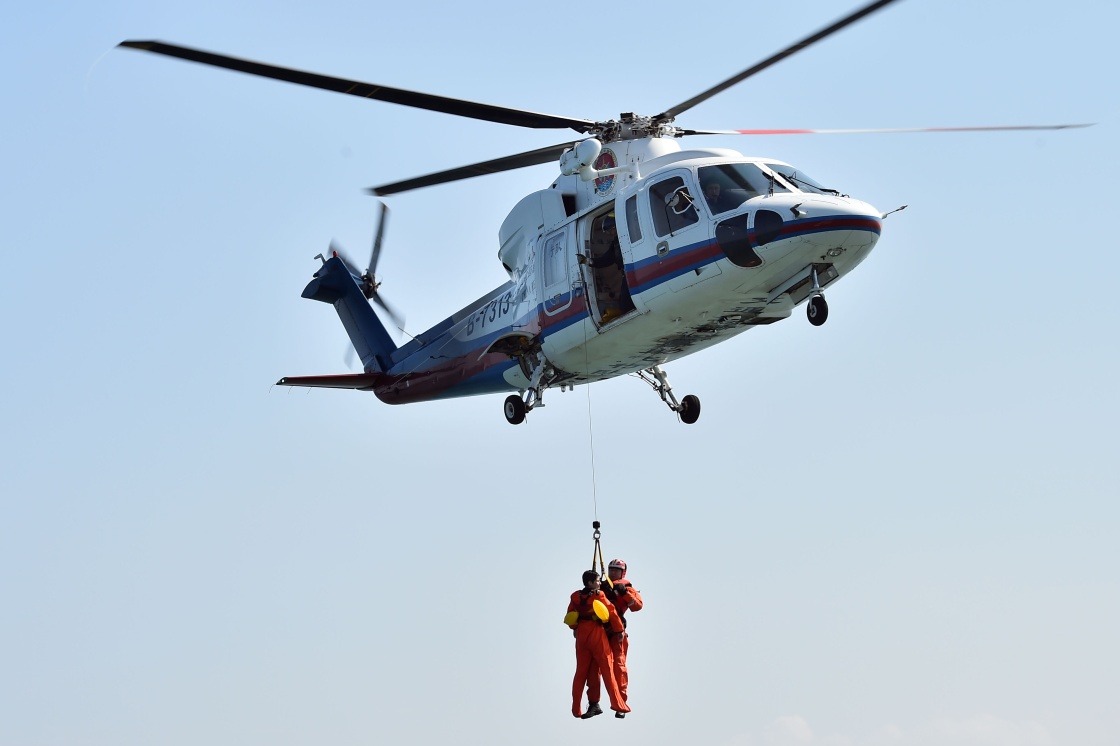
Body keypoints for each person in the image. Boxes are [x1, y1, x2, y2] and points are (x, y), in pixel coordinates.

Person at [566, 569, 630, 719]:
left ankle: (576, 709)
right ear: (590, 583)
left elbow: (570, 615)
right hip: (596, 633)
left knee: (580, 672)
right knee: (608, 670)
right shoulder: (599, 595)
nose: (599, 583)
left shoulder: (575, 596)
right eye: (597, 581)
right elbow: (612, 611)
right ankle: (618, 704)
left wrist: (575, 628)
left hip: (581, 635)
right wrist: (619, 630)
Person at [588, 559, 644, 717]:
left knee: (618, 667)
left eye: (616, 570)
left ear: (622, 573)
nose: (613, 573)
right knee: (593, 668)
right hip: (599, 631)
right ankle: (593, 703)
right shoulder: (600, 585)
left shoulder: (627, 588)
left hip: (617, 633)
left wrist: (624, 593)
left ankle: (621, 703)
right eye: (611, 570)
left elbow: (637, 606)